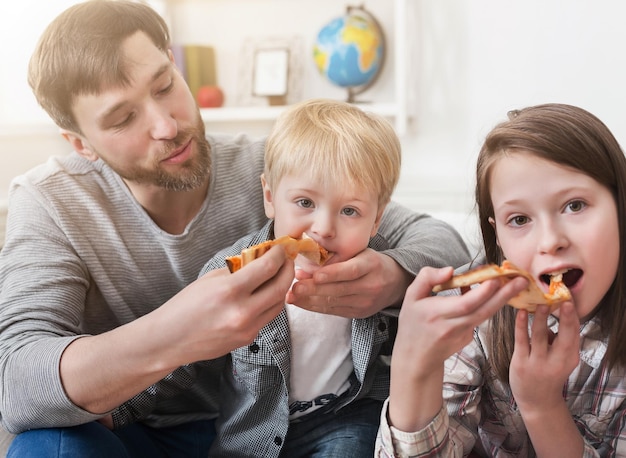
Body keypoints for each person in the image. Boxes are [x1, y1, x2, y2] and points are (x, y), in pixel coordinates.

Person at [0, 1, 471, 457]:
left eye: (165, 86)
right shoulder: (49, 201)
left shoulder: (281, 164)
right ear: (80, 143)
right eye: (124, 118)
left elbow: (439, 240)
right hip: (143, 432)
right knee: (46, 445)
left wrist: (390, 276)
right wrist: (176, 332)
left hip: (284, 422)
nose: (167, 125)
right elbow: (16, 383)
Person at [375, 103, 626, 457]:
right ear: (498, 238)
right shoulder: (472, 321)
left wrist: (541, 406)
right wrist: (412, 367)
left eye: (575, 205)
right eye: (520, 219)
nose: (550, 240)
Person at [199, 98, 403, 457]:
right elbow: (183, 352)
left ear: (376, 220)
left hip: (342, 416)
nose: (323, 229)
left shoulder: (377, 272)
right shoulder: (235, 271)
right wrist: (123, 407)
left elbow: (432, 302)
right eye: (305, 203)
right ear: (269, 197)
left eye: (349, 211)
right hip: (251, 433)